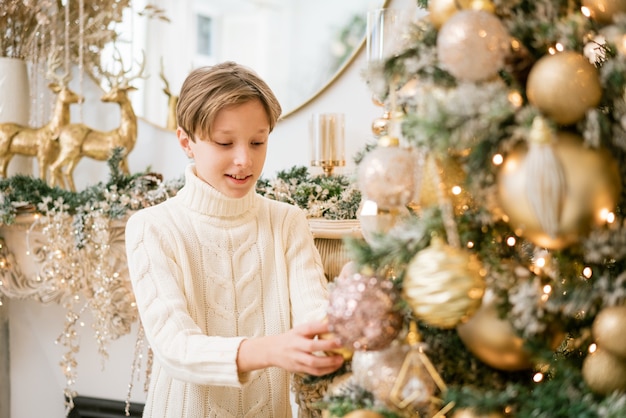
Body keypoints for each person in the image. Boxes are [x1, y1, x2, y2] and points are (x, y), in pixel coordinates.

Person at [125, 61, 344, 417]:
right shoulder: (152, 227)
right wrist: (270, 350)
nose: (245, 160)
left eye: (258, 141)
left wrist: (345, 314)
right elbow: (175, 347)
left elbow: (315, 317)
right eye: (225, 142)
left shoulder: (286, 222)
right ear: (186, 142)